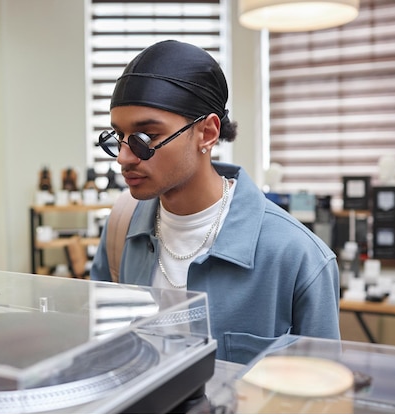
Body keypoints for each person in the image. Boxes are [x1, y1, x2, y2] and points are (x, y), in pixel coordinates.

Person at [90, 40, 340, 365]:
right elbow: (104, 353)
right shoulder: (120, 228)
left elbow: (321, 395)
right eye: (118, 137)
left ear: (207, 133)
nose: (124, 157)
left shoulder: (297, 257)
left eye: (145, 138)